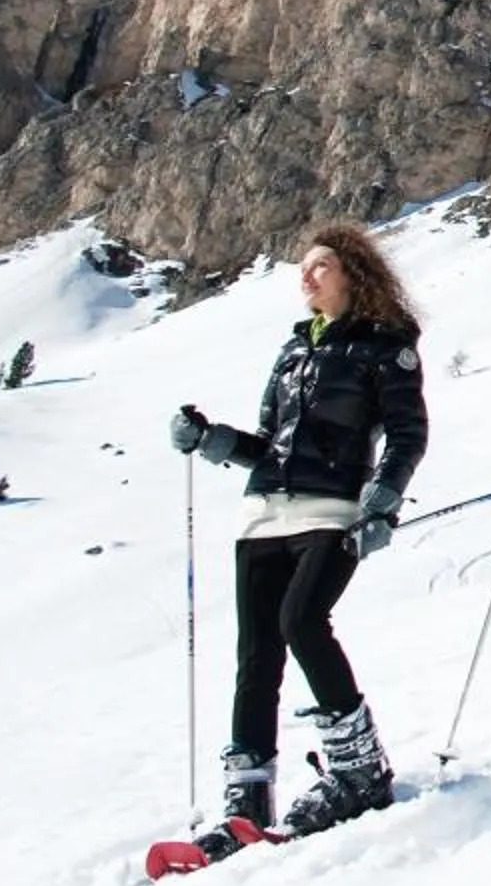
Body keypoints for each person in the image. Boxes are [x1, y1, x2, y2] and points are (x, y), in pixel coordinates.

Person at [169, 220, 429, 839]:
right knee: (256, 652)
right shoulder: (292, 351)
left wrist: (382, 500)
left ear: (352, 274)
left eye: (321, 265)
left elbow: (408, 433)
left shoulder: (384, 346)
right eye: (303, 268)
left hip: (332, 510)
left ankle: (359, 769)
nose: (307, 276)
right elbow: (269, 443)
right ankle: (248, 798)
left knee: (302, 621)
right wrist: (210, 439)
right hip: (264, 513)